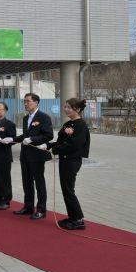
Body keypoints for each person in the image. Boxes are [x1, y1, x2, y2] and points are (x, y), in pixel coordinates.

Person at [46, 98, 90, 230]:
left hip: (72, 160)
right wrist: (47, 145)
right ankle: (72, 217)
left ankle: (78, 219)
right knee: (66, 190)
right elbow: (60, 142)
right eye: (65, 107)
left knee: (69, 190)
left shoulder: (80, 125)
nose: (66, 109)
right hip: (65, 160)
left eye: (69, 107)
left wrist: (55, 150)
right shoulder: (68, 124)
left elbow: (75, 144)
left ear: (78, 109)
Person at [13, 93, 53, 219]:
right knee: (27, 182)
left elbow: (48, 135)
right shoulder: (26, 118)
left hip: (37, 155)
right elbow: (25, 135)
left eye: (28, 101)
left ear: (36, 102)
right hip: (25, 154)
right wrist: (12, 139)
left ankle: (41, 209)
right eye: (24, 101)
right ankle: (28, 207)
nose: (25, 104)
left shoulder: (43, 117)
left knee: (39, 182)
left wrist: (32, 139)